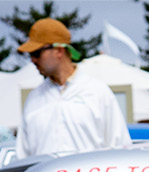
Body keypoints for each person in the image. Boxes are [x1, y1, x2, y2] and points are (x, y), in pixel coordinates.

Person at [16, 17, 131, 157]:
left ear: (59, 50)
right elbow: (22, 156)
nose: (32, 60)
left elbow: (121, 149)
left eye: (36, 53)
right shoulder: (33, 100)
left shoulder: (98, 92)